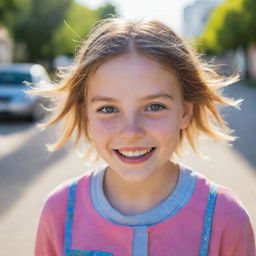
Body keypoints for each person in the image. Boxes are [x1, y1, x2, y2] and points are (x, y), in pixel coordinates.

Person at [34, 17, 255, 256]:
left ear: (185, 112)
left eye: (154, 106)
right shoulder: (59, 212)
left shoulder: (225, 217)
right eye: (108, 109)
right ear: (86, 116)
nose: (131, 132)